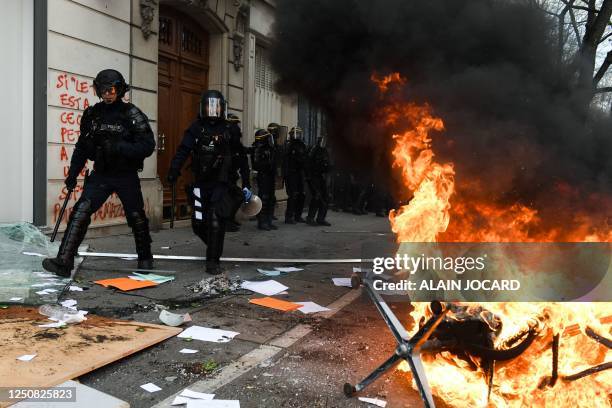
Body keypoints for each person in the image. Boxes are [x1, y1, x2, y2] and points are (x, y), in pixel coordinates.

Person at [42, 69, 156, 276]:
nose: (107, 93)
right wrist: (72, 175)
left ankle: (145, 258)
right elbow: (82, 147)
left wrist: (120, 147)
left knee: (136, 215)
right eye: (103, 89)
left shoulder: (132, 114)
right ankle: (64, 261)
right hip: (101, 174)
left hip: (125, 175)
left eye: (111, 89)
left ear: (120, 90)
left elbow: (148, 145)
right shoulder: (92, 114)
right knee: (80, 212)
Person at [166, 90, 251, 275]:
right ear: (203, 107)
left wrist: (246, 182)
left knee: (215, 220)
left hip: (221, 183)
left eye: (217, 106)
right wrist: (174, 170)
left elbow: (242, 157)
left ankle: (213, 260)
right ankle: (214, 244)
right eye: (209, 106)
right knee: (198, 224)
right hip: (199, 183)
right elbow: (183, 150)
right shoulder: (195, 128)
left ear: (222, 108)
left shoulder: (230, 129)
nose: (213, 110)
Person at [225, 113, 251, 232]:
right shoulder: (224, 142)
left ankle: (229, 219)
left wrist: (246, 184)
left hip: (230, 176)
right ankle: (225, 221)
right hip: (222, 178)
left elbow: (243, 164)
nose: (238, 129)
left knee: (236, 196)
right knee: (229, 197)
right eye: (235, 125)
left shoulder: (237, 146)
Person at [251, 129, 277, 230]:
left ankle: (269, 221)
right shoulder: (258, 149)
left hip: (270, 176)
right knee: (264, 199)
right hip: (263, 176)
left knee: (271, 199)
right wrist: (267, 165)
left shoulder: (270, 149)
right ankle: (262, 222)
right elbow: (256, 165)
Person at [282, 126, 307, 224]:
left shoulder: (302, 145)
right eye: (295, 133)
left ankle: (298, 215)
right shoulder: (288, 145)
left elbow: (305, 159)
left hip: (299, 173)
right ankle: (289, 217)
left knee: (302, 194)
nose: (297, 135)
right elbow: (285, 161)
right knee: (292, 195)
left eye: (298, 133)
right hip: (291, 173)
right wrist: (285, 175)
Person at [305, 136, 332, 226]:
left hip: (321, 176)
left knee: (325, 197)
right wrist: (309, 177)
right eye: (322, 141)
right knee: (316, 196)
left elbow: (327, 164)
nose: (323, 143)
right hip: (313, 177)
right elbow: (308, 164)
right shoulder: (314, 150)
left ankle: (321, 218)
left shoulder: (325, 152)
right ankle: (310, 218)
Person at [267, 123, 282, 221]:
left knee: (271, 195)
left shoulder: (275, 143)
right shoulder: (267, 142)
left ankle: (270, 215)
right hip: (267, 173)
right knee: (266, 196)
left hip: (272, 172)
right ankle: (265, 216)